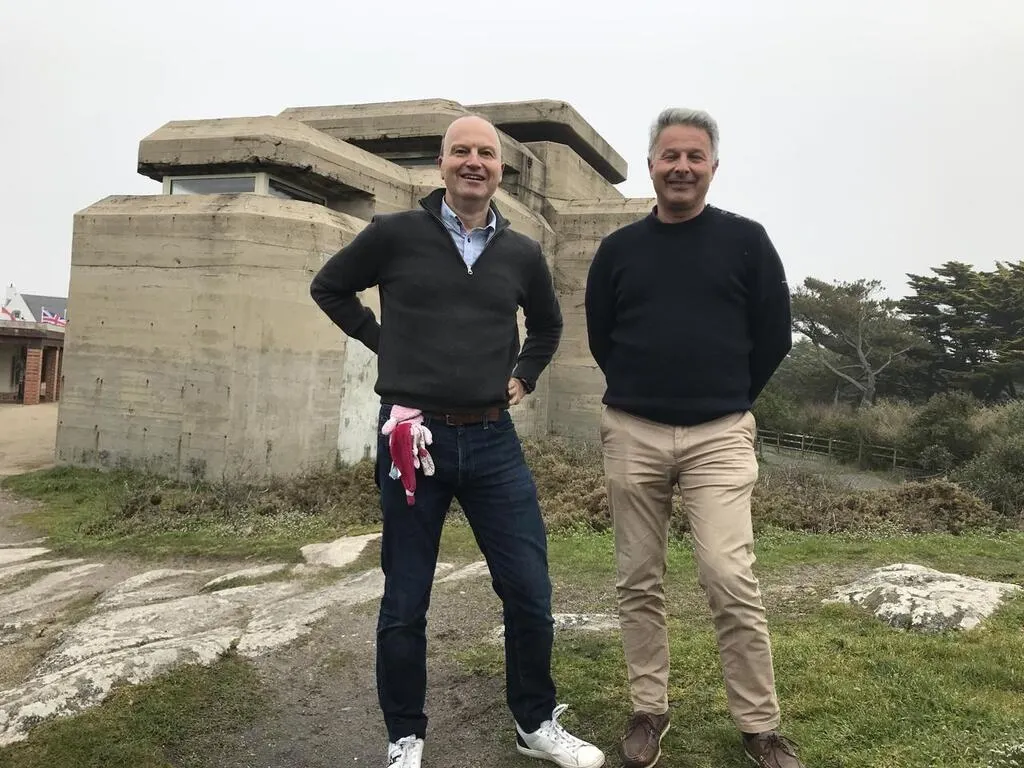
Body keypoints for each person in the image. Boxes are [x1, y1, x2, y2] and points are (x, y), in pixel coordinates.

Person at [311, 115, 605, 768]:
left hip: (493, 443)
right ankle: (405, 737)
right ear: (440, 165)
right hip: (411, 438)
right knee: (406, 599)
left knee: (529, 589)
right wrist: (384, 340)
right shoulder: (394, 235)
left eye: (486, 153)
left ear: (501, 169)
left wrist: (523, 377)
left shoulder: (522, 252)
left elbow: (549, 329)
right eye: (461, 151)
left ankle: (534, 723)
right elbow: (328, 287)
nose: (474, 161)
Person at [584, 108, 804, 768]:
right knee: (637, 578)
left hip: (719, 436)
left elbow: (774, 336)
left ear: (712, 166)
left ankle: (760, 725)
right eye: (669, 155)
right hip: (633, 431)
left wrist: (726, 399)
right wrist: (643, 394)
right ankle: (649, 711)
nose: (681, 166)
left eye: (695, 156)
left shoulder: (747, 241)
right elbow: (603, 337)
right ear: (651, 164)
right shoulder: (619, 250)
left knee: (729, 575)